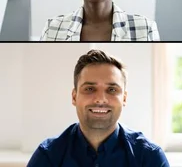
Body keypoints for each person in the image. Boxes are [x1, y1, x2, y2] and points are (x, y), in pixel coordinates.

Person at [27, 49, 169, 166]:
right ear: (74, 97)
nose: (100, 99)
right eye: (89, 89)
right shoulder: (49, 156)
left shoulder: (150, 157)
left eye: (112, 90)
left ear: (124, 98)